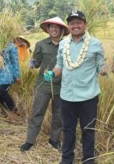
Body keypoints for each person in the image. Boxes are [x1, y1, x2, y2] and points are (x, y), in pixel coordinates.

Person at [44, 11, 108, 164]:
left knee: (88, 130)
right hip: (67, 95)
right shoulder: (63, 44)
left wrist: (107, 68)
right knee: (68, 130)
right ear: (69, 26)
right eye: (72, 23)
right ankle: (67, 159)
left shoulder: (95, 44)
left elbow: (101, 66)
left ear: (85, 24)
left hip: (88, 96)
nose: (75, 25)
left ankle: (88, 160)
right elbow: (60, 65)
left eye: (78, 22)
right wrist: (52, 74)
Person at [20, 16, 69, 152]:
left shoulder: (67, 45)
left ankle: (54, 139)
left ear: (61, 30)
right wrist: (33, 63)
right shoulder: (41, 44)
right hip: (44, 84)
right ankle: (30, 141)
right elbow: (37, 61)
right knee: (37, 112)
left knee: (58, 114)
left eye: (56, 27)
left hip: (61, 85)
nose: (53, 29)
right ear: (48, 29)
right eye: (51, 27)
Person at [0, 40, 21, 115]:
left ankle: (14, 110)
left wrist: (17, 75)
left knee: (2, 91)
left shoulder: (12, 47)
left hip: (8, 73)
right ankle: (4, 112)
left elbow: (15, 61)